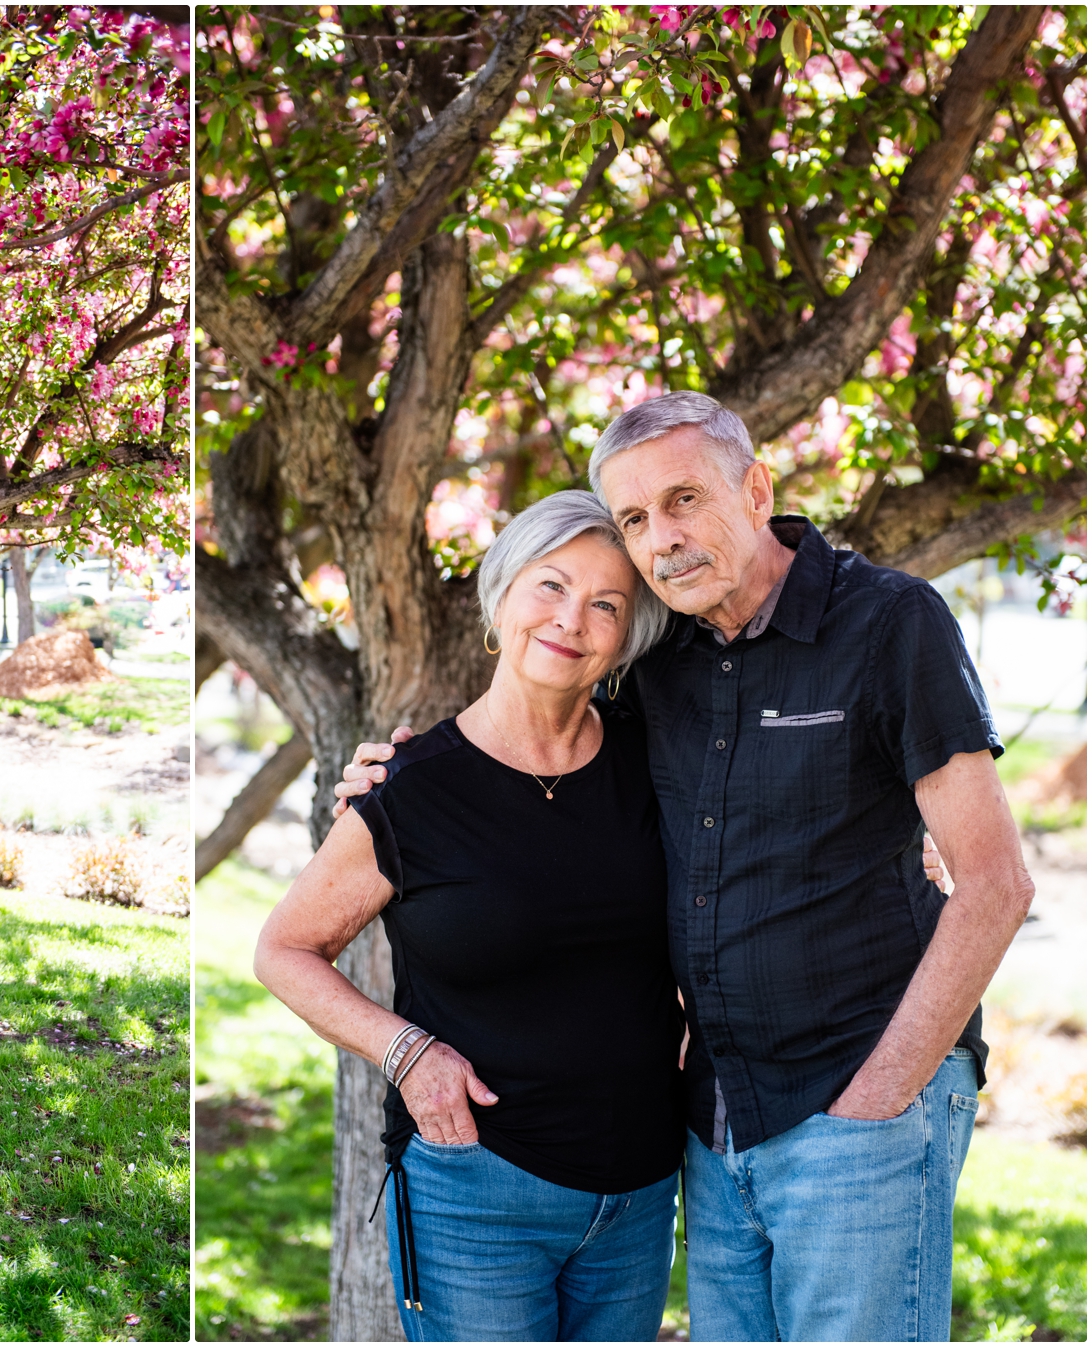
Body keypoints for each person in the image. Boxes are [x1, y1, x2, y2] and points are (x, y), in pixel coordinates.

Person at [338, 391, 1034, 1342]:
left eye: (683, 499)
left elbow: (996, 884)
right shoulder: (659, 667)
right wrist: (401, 775)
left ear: (755, 488)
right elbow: (540, 728)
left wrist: (877, 1099)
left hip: (862, 1095)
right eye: (634, 519)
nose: (660, 537)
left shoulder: (891, 625)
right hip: (714, 1124)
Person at [257, 491, 686, 1341]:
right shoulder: (412, 789)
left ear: (628, 636)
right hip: (477, 1188)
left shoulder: (657, 759)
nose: (572, 618)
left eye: (607, 604)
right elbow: (283, 950)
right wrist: (405, 1051)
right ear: (502, 595)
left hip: (641, 1189)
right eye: (550, 585)